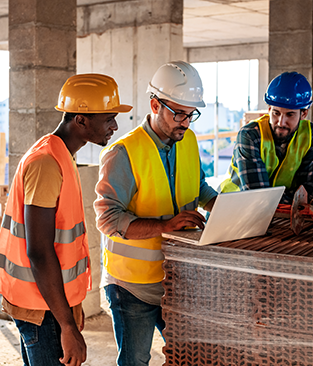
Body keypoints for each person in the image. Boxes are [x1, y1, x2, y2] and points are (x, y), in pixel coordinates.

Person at [0, 73, 131, 366]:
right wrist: (66, 325)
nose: (115, 126)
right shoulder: (46, 163)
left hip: (50, 301)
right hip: (41, 307)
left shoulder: (61, 156)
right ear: (81, 120)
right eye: (109, 118)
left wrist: (70, 308)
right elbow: (39, 250)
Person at [94, 61, 218, 366]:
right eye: (179, 113)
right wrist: (165, 226)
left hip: (178, 278)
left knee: (188, 357)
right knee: (136, 362)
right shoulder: (123, 153)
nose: (186, 123)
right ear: (154, 104)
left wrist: (223, 207)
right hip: (132, 286)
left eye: (191, 114)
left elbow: (197, 186)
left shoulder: (187, 140)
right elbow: (108, 219)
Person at [220, 71, 313, 204]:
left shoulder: (312, 135)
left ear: (304, 113)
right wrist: (297, 200)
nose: (281, 122)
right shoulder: (250, 135)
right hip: (231, 210)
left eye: (290, 115)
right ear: (269, 109)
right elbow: (258, 196)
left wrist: (301, 201)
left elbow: (310, 193)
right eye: (276, 113)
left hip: (277, 215)